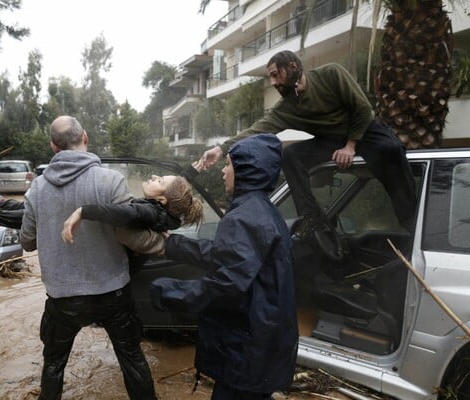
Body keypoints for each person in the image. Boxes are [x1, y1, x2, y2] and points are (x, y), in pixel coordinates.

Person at [194, 50, 416, 239]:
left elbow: (362, 108)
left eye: (275, 75)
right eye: (270, 77)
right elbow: (257, 129)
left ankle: (410, 221)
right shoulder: (287, 107)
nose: (273, 83)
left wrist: (350, 146)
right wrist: (220, 149)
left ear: (292, 66)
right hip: (329, 141)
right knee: (290, 156)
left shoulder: (331, 73)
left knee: (391, 150)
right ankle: (312, 220)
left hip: (365, 129)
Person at [19, 115, 159, 400]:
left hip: (62, 299)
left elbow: (27, 242)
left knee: (54, 365)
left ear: (53, 147)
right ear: (86, 138)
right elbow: (130, 237)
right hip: (113, 294)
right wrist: (167, 242)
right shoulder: (111, 180)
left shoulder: (37, 189)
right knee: (132, 359)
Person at [151, 133, 298, 399]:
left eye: (228, 164)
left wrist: (168, 291)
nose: (223, 171)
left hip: (247, 349)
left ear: (246, 170)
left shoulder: (244, 217)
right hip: (263, 342)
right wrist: (173, 244)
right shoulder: (261, 209)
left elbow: (226, 285)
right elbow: (228, 256)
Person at [61, 174, 204, 244]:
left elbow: (123, 213)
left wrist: (83, 211)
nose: (154, 176)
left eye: (160, 181)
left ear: (162, 199)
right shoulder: (162, 214)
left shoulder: (150, 212)